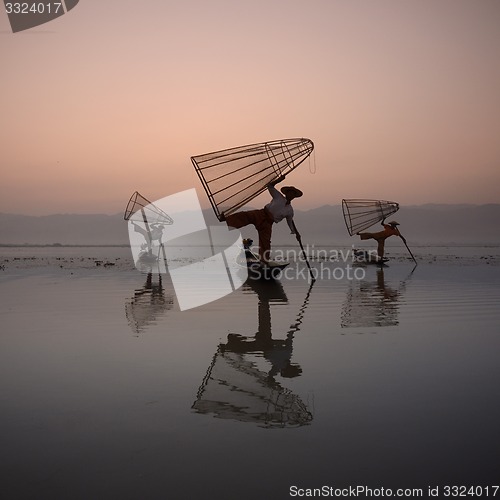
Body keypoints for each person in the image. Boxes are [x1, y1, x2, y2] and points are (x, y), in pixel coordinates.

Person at [221, 177, 302, 263]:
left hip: (268, 223)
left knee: (266, 243)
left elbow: (290, 222)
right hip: (261, 214)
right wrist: (279, 180)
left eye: (293, 194)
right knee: (246, 215)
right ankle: (226, 220)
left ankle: (264, 262)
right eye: (290, 193)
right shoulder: (279, 196)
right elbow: (270, 186)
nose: (291, 195)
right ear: (287, 193)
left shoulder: (290, 210)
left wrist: (295, 232)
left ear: (294, 197)